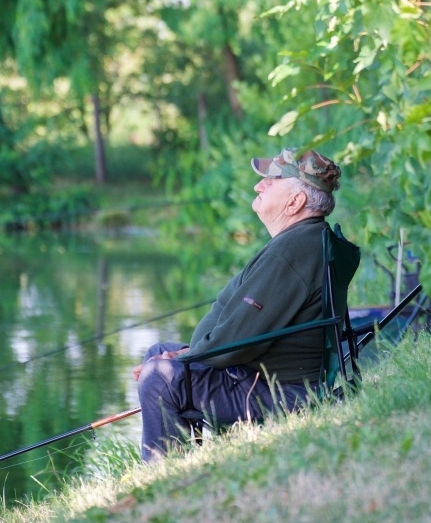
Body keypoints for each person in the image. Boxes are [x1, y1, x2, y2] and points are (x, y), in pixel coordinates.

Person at [132, 147, 342, 460]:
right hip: (272, 378)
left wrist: (185, 356)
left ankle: (162, 473)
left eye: (271, 180)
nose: (259, 185)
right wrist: (186, 353)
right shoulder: (306, 240)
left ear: (295, 202)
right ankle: (183, 459)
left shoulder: (291, 253)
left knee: (157, 376)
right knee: (157, 353)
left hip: (279, 394)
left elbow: (235, 345)